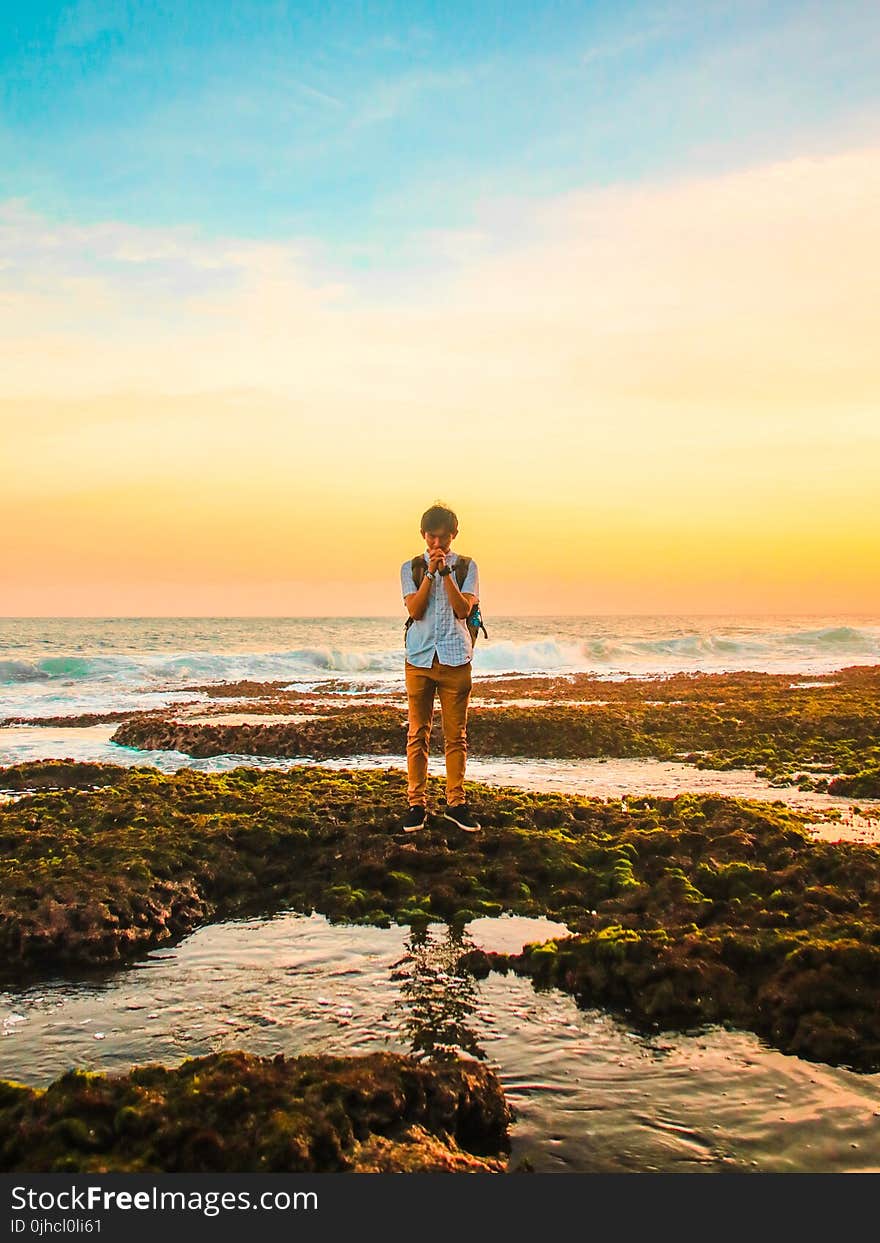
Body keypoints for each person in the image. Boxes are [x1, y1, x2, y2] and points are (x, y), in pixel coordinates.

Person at [400, 503, 481, 833]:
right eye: (431, 537)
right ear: (423, 535)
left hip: (455, 659)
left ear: (454, 535)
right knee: (416, 734)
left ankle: (455, 803)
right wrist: (431, 573)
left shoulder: (466, 566)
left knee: (455, 736)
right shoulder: (411, 567)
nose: (437, 545)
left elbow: (463, 610)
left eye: (443, 538)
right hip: (419, 659)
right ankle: (416, 804)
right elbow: (416, 611)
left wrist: (446, 573)